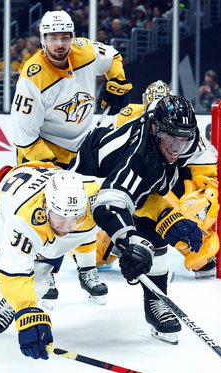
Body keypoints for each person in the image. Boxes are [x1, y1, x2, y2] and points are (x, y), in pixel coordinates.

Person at [0, 164, 108, 360]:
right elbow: (14, 273)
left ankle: (10, 303)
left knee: (40, 283)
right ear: (46, 205)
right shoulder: (24, 218)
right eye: (60, 218)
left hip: (40, 211)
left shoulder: (96, 195)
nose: (66, 228)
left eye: (74, 219)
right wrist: (27, 313)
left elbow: (129, 196)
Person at [70, 95, 204, 345]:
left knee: (156, 231)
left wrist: (170, 216)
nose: (176, 148)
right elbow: (107, 205)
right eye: (170, 138)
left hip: (135, 186)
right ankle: (32, 282)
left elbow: (155, 187)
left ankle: (156, 302)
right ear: (155, 128)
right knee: (65, 231)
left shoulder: (185, 136)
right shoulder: (140, 159)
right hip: (92, 179)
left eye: (182, 139)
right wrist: (128, 241)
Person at [106, 81, 219, 278]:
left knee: (182, 221)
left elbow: (207, 175)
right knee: (98, 247)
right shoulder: (126, 119)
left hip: (166, 187)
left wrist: (201, 201)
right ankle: (107, 246)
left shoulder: (187, 131)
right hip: (130, 185)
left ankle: (197, 247)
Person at [11, 10, 131, 169]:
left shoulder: (85, 50)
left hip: (82, 150)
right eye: (53, 38)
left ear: (72, 38)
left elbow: (113, 56)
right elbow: (23, 135)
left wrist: (118, 80)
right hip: (43, 153)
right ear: (43, 40)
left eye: (65, 38)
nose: (60, 44)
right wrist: (48, 164)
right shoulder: (33, 78)